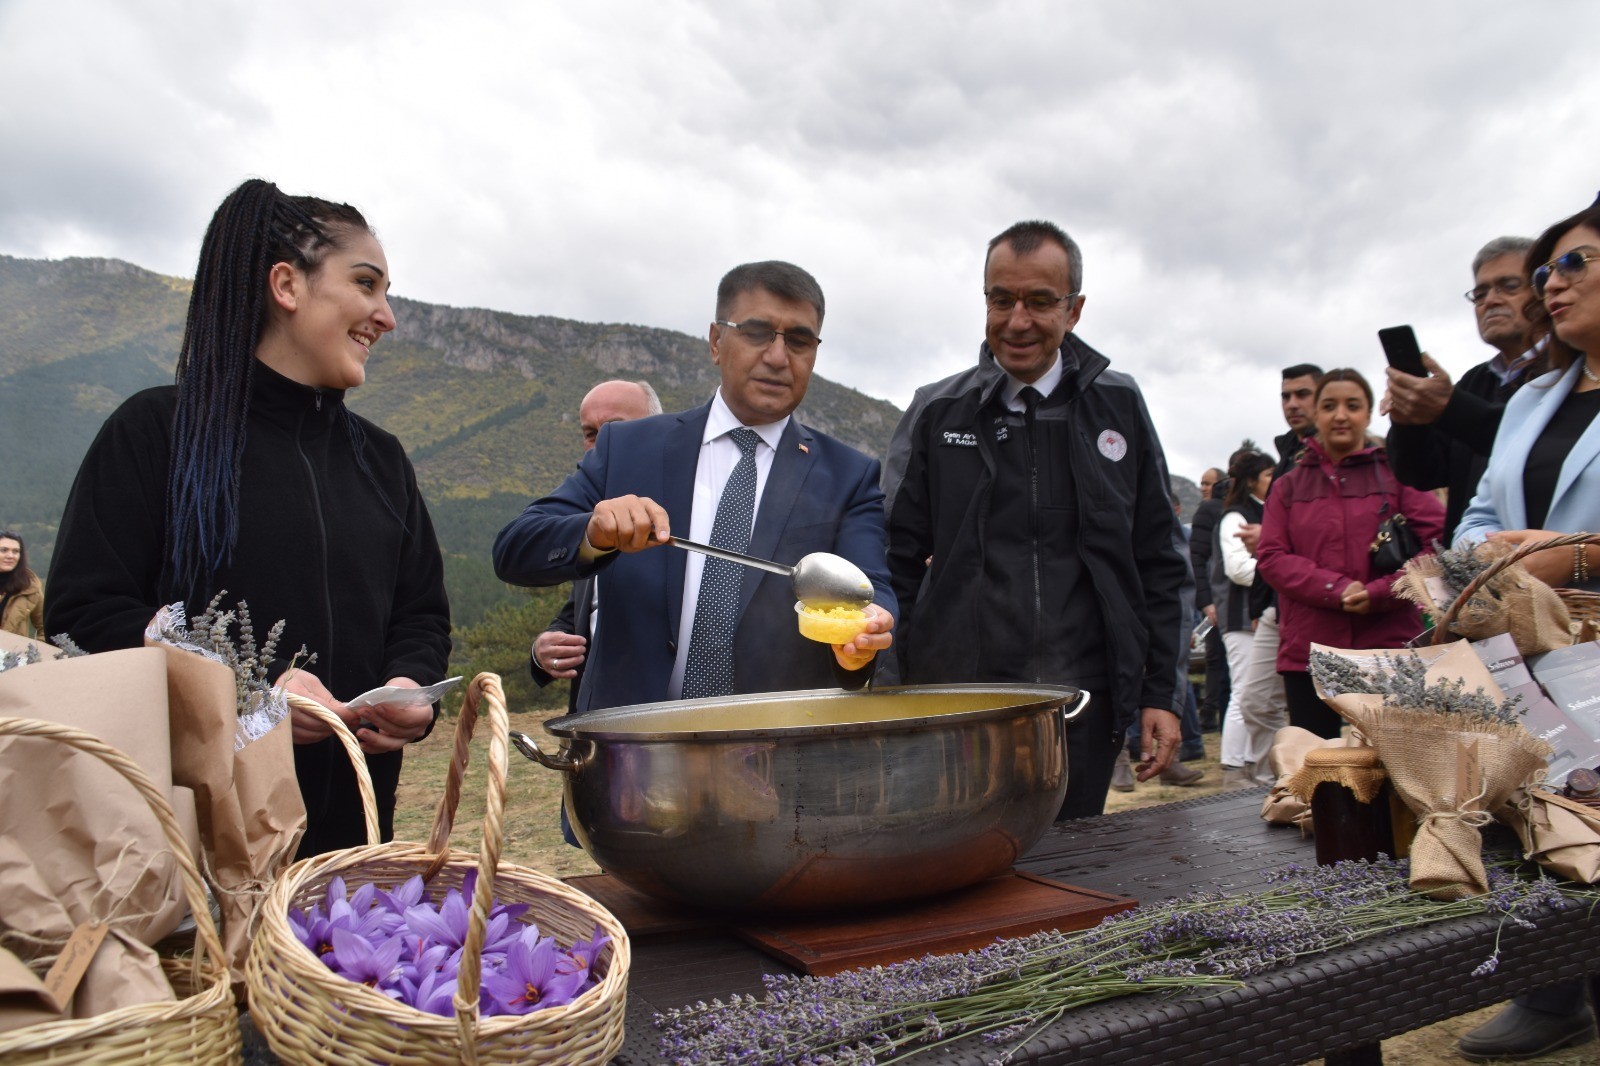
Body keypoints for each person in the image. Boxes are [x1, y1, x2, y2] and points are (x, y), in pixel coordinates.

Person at [45, 179, 452, 857]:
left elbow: (420, 616)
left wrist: (412, 687)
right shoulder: (155, 433)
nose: (387, 316)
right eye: (365, 283)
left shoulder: (382, 461)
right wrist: (242, 694)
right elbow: (83, 617)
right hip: (184, 859)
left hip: (351, 855)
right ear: (287, 285)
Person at [883, 220, 1190, 819]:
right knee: (967, 873)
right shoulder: (938, 410)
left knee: (1077, 872)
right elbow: (892, 557)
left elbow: (1160, 559)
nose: (1017, 320)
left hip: (1084, 703)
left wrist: (1162, 695)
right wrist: (895, 689)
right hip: (961, 705)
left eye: (1040, 301)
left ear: (1074, 310)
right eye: (1002, 300)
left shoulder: (1120, 406)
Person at [493, 260, 895, 714]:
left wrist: (867, 635)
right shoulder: (628, 448)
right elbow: (515, 548)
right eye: (757, 332)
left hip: (771, 762)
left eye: (799, 340)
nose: (779, 356)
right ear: (716, 341)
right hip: (627, 756)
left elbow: (870, 591)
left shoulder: (850, 475)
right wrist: (593, 533)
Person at [1449, 197, 1600, 1064]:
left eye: (1573, 263)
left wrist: (1575, 555)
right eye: (1546, 272)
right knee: (1541, 808)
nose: (1553, 284)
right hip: (1527, 649)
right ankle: (1550, 990)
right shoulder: (1530, 398)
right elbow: (1478, 508)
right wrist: (1484, 554)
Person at [1255, 369, 1444, 738]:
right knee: (1319, 770)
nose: (1340, 415)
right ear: (1317, 415)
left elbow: (1435, 546)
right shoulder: (1288, 487)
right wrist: (1335, 589)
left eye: (1352, 406)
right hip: (1310, 650)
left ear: (1368, 413)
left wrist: (1379, 593)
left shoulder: (1398, 475)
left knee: (1399, 766)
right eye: (1329, 406)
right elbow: (1272, 557)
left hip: (1389, 644)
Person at [1387, 236, 1538, 542]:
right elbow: (1423, 473)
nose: (1491, 301)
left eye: (1508, 286)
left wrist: (1450, 407)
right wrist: (1408, 422)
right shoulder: (1475, 381)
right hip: (1475, 573)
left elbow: (1536, 444)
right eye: (1480, 293)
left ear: (1544, 290)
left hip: (1551, 570)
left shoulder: (1572, 372)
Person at [529, 379, 663, 711]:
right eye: (592, 434)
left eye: (617, 430)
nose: (603, 445)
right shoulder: (589, 520)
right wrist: (543, 649)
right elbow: (582, 612)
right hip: (591, 737)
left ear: (659, 429)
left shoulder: (680, 520)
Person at [1213, 450, 1280, 784]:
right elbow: (1237, 568)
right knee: (1244, 690)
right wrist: (1281, 569)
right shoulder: (1235, 517)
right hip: (1240, 616)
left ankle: (1253, 758)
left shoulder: (1271, 512)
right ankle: (1234, 765)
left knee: (1261, 694)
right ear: (1252, 480)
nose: (1275, 479)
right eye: (1269, 474)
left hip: (1264, 614)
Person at [1189, 466, 1230, 730]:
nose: (1204, 487)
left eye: (1208, 483)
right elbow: (1199, 558)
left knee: (1220, 662)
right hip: (1217, 598)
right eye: (1202, 483)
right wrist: (1206, 600)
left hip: (1219, 597)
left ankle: (1214, 714)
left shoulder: (1216, 511)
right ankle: (1212, 714)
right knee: (1218, 662)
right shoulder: (1209, 511)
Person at [0, 531, 44, 638]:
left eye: (15, 551)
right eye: (3, 550)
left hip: (13, 653)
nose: (10, 556)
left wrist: (36, 652)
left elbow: (45, 626)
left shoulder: (29, 587)